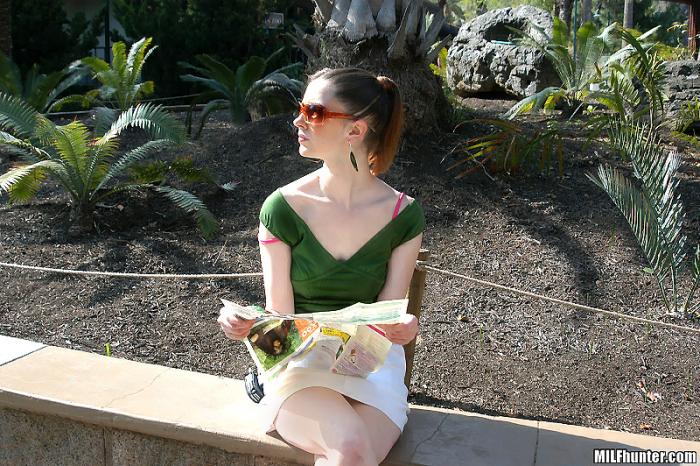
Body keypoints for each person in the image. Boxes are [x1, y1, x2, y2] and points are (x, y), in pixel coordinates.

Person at [217, 67, 426, 466]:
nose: (297, 121)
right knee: (351, 448)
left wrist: (405, 327)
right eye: (301, 109)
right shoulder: (282, 207)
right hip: (299, 362)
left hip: (370, 364)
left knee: (352, 454)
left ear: (355, 130)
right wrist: (247, 323)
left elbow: (388, 313)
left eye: (313, 112)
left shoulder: (404, 215)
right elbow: (280, 313)